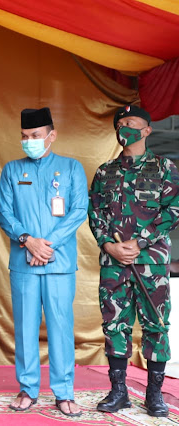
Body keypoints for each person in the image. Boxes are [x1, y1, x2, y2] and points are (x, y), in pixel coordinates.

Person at [88, 105, 179, 417]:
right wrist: (108, 245)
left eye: (132, 122)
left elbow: (173, 210)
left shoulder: (166, 169)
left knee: (156, 325)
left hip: (150, 264)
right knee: (115, 324)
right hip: (113, 263)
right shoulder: (105, 172)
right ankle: (118, 391)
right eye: (121, 123)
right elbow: (95, 213)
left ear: (147, 129)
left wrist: (140, 242)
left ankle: (154, 395)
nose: (126, 126)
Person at [0, 107, 87, 417]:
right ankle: (27, 388)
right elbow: (4, 213)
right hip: (24, 262)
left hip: (59, 262)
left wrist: (47, 246)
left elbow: (78, 211)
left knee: (61, 327)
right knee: (24, 327)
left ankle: (64, 392)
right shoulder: (12, 170)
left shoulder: (71, 168)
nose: (29, 141)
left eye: (35, 136)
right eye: (24, 137)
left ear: (52, 136)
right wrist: (28, 241)